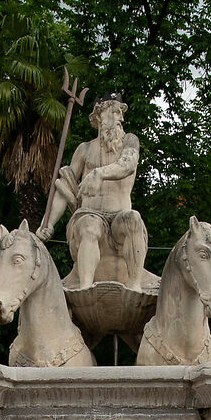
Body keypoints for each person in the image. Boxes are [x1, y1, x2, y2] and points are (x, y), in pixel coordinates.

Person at [38, 96, 148, 290]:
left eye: (121, 113)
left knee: (134, 218)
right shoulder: (85, 149)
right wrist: (48, 224)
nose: (120, 118)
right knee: (89, 225)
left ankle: (135, 286)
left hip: (120, 218)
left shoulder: (130, 142)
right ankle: (85, 288)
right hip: (89, 215)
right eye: (115, 112)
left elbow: (127, 165)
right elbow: (65, 187)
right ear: (99, 115)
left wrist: (99, 173)